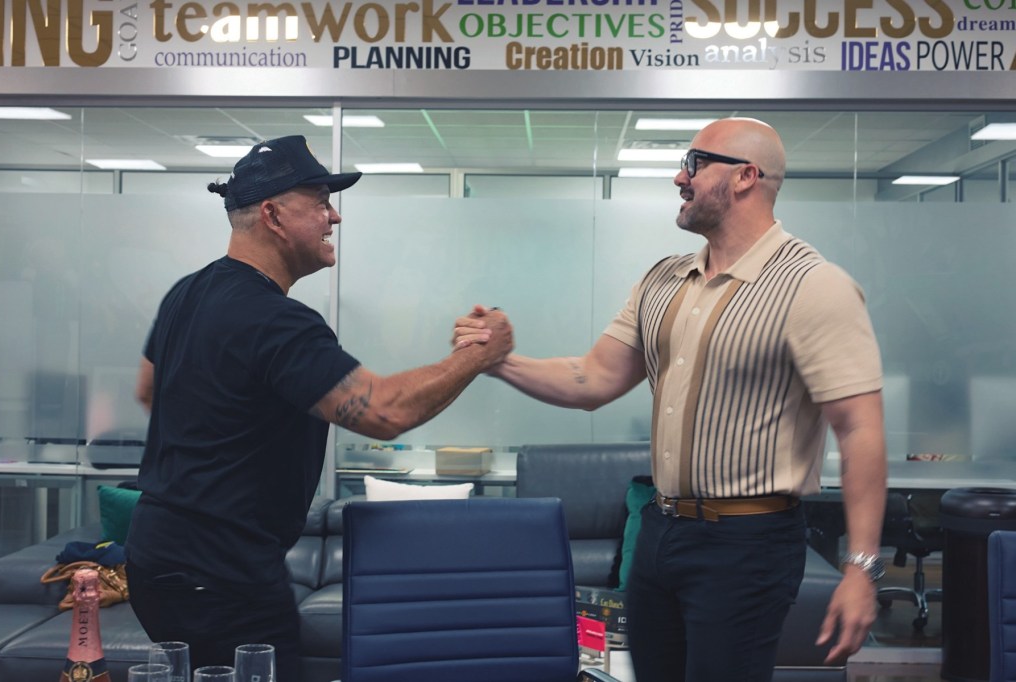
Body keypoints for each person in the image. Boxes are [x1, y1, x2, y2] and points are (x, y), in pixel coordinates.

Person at [454, 118, 886, 682]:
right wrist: (497, 361)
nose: (680, 178)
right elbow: (593, 378)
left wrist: (861, 568)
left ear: (745, 177)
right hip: (660, 529)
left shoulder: (814, 285)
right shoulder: (664, 279)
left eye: (695, 163)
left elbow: (859, 429)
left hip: (748, 541)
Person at [125, 135, 512, 680]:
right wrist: (477, 355)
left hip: (157, 553)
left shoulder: (188, 293)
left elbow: (149, 390)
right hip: (220, 568)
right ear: (273, 215)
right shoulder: (275, 320)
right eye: (321, 203)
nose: (335, 217)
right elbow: (383, 411)